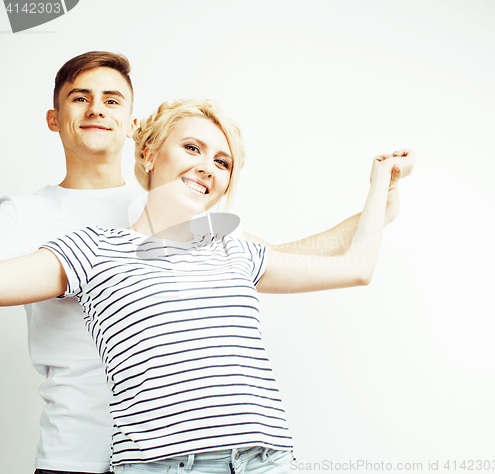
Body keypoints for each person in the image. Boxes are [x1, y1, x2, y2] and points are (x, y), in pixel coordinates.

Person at [0, 51, 406, 474]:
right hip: (94, 452)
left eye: (222, 161)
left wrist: (377, 207)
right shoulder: (75, 240)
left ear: (136, 130)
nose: (97, 109)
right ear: (150, 153)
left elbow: (307, 258)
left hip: (255, 458)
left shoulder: (214, 235)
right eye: (81, 98)